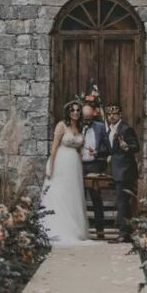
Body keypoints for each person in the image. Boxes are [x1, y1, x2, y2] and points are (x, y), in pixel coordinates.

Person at [39, 99, 89, 246]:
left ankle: (75, 229)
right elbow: (54, 148)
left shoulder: (80, 128)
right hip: (61, 162)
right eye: (72, 110)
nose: (75, 113)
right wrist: (50, 167)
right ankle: (57, 229)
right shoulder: (62, 125)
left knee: (73, 195)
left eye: (78, 110)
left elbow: (80, 150)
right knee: (59, 193)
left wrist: (81, 167)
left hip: (74, 166)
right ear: (68, 112)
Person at [105, 102, 140, 244]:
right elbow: (112, 150)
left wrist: (126, 147)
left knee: (122, 202)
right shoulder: (110, 130)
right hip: (116, 170)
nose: (112, 116)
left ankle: (123, 233)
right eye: (109, 114)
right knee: (122, 202)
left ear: (120, 115)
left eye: (114, 114)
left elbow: (136, 147)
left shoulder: (126, 129)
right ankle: (127, 232)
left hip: (125, 171)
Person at [81, 86, 110, 240]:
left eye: (88, 118)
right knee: (77, 198)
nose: (86, 121)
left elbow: (109, 148)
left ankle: (100, 229)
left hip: (94, 166)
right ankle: (79, 230)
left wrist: (98, 153)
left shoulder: (100, 127)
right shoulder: (75, 127)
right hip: (77, 166)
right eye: (84, 119)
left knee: (96, 198)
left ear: (93, 115)